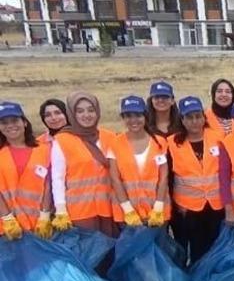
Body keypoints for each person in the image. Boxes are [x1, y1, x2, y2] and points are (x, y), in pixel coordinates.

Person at [51, 91, 118, 238]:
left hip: (109, 209)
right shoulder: (62, 140)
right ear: (71, 114)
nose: (86, 115)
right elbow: (57, 178)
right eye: (80, 111)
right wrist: (60, 209)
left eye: (91, 110)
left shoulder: (111, 137)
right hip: (80, 213)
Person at [168, 96, 225, 264]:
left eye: (198, 116)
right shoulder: (171, 143)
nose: (194, 121)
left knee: (216, 249)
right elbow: (168, 178)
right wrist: (175, 207)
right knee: (196, 252)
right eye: (189, 117)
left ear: (203, 117)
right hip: (188, 209)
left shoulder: (218, 138)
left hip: (215, 206)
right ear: (182, 120)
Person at [107, 96, 169, 229]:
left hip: (156, 211)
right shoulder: (115, 143)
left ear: (145, 116)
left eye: (138, 115)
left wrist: (158, 207)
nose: (133, 120)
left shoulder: (159, 142)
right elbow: (115, 179)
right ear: (123, 118)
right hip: (128, 213)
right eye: (128, 116)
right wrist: (128, 210)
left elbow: (163, 177)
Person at [0, 102, 53, 240]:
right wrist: (7, 218)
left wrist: (45, 215)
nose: (10, 125)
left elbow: (48, 185)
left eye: (14, 120)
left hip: (38, 222)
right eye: (4, 122)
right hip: (7, 226)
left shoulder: (44, 149)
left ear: (24, 122)